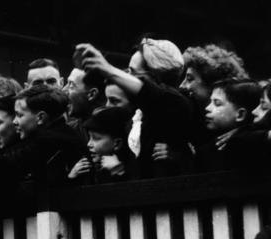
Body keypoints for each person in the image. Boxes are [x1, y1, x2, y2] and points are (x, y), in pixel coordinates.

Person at [76, 38, 193, 178]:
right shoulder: (136, 116)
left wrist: (107, 68)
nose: (126, 78)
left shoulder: (176, 104)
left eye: (133, 73)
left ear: (154, 76)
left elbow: (151, 93)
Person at [68, 106, 134, 183]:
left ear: (117, 143)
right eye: (89, 137)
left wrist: (118, 172)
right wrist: (72, 177)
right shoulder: (87, 167)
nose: (89, 144)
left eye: (96, 138)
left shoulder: (132, 168)